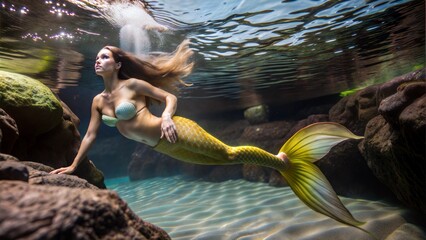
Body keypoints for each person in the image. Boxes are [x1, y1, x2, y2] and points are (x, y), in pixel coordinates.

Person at [50, 39, 371, 235]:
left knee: (228, 155)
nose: (98, 60)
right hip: (162, 147)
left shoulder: (132, 87)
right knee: (221, 159)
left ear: (118, 63)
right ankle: (284, 163)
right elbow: (90, 134)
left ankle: (282, 161)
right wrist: (75, 166)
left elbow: (169, 99)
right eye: (98, 57)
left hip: (175, 132)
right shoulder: (98, 101)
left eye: (105, 56)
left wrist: (165, 119)